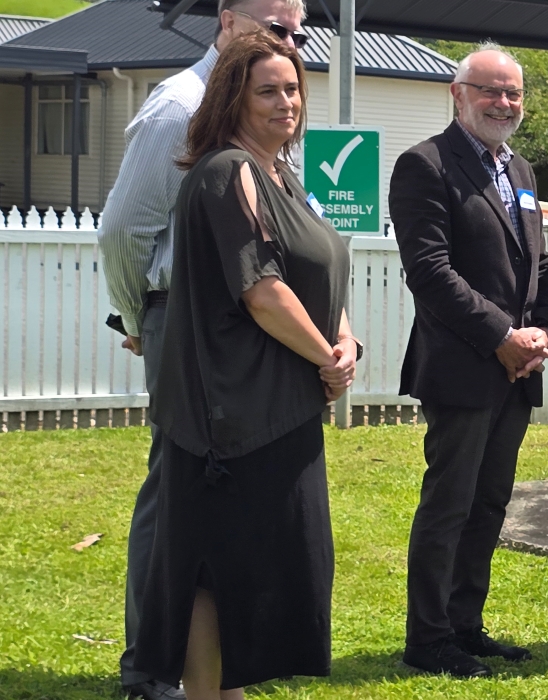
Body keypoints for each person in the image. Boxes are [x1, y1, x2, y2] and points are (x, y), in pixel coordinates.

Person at [136, 32, 355, 699]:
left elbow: (315, 270)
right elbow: (262, 290)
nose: (286, 102)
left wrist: (343, 338)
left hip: (279, 408)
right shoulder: (226, 172)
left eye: (292, 88)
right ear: (233, 98)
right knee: (215, 572)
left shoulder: (280, 175)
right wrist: (328, 359)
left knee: (252, 571)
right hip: (232, 419)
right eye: (268, 91)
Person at [97, 0, 307, 696]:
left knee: (230, 500)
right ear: (226, 19)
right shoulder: (178, 105)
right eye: (275, 25)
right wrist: (138, 315)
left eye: (298, 29)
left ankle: (219, 663)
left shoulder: (269, 108)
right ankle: (152, 665)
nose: (290, 39)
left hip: (245, 332)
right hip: (185, 323)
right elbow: (124, 229)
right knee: (178, 496)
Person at [390, 46, 548, 678]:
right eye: (490, 90)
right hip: (461, 367)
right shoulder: (425, 164)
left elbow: (540, 262)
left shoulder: (520, 169)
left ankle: (465, 625)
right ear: (457, 94)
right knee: (450, 505)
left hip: (516, 371)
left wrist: (542, 332)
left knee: (489, 504)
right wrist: (500, 336)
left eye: (513, 93)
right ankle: (428, 637)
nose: (503, 103)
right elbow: (430, 272)